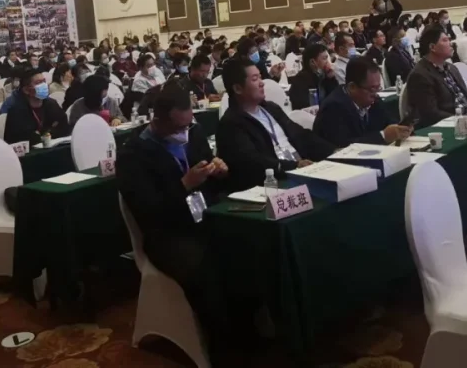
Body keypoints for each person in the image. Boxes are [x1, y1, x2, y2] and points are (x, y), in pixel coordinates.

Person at [117, 82, 245, 363]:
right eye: (178, 128)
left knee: (245, 246)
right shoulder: (133, 155)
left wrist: (219, 170)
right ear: (158, 120)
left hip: (204, 217)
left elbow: (208, 167)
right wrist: (184, 184)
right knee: (208, 270)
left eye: (188, 125)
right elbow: (149, 211)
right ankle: (225, 351)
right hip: (167, 235)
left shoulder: (193, 134)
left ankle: (249, 328)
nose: (184, 133)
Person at [216, 58, 334, 192]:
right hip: (274, 183)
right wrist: (293, 166)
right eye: (255, 79)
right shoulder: (230, 124)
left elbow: (301, 135)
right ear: (238, 88)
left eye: (260, 77)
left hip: (301, 170)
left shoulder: (271, 108)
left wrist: (333, 151)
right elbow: (252, 162)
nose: (262, 83)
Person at [313, 57, 412, 148]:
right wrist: (383, 136)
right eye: (372, 89)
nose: (376, 94)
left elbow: (388, 120)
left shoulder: (373, 99)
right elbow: (344, 147)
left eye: (378, 88)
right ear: (352, 87)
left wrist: (400, 129)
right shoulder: (333, 108)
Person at [405, 25, 467, 127]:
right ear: (432, 47)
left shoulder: (452, 68)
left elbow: (465, 98)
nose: (451, 43)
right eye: (445, 40)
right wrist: (462, 120)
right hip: (447, 125)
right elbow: (430, 113)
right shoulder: (420, 75)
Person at [3, 68, 69, 144]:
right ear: (26, 90)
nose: (44, 85)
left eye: (44, 81)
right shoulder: (16, 110)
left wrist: (47, 134)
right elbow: (20, 137)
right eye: (38, 83)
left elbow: (64, 126)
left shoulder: (51, 104)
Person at [288, 43, 340, 109]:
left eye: (328, 58)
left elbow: (336, 99)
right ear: (313, 62)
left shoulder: (324, 76)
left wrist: (331, 79)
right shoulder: (301, 80)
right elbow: (307, 107)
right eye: (325, 58)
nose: (328, 62)